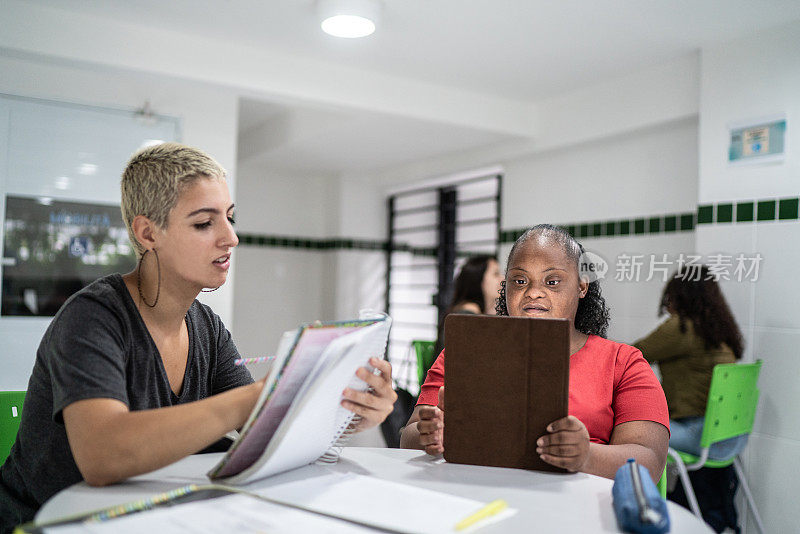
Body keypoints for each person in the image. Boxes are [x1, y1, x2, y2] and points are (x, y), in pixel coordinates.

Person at [0, 143, 397, 532]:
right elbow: (103, 457)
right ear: (148, 233)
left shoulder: (206, 327)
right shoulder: (92, 317)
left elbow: (263, 426)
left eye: (230, 217)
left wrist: (349, 411)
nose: (231, 238)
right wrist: (253, 398)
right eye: (204, 223)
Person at [400, 224, 669, 482]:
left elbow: (650, 461)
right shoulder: (464, 353)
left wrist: (586, 456)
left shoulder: (624, 363)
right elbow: (408, 436)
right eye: (520, 280)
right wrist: (431, 435)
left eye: (552, 281)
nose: (533, 293)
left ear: (582, 286)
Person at [633, 265, 746, 460]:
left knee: (622, 426)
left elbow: (631, 357)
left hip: (699, 436)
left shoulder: (682, 327)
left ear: (679, 296)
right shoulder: (720, 330)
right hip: (733, 437)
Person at [432, 255, 503, 356]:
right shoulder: (467, 313)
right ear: (479, 280)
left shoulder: (470, 311)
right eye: (496, 274)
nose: (502, 278)